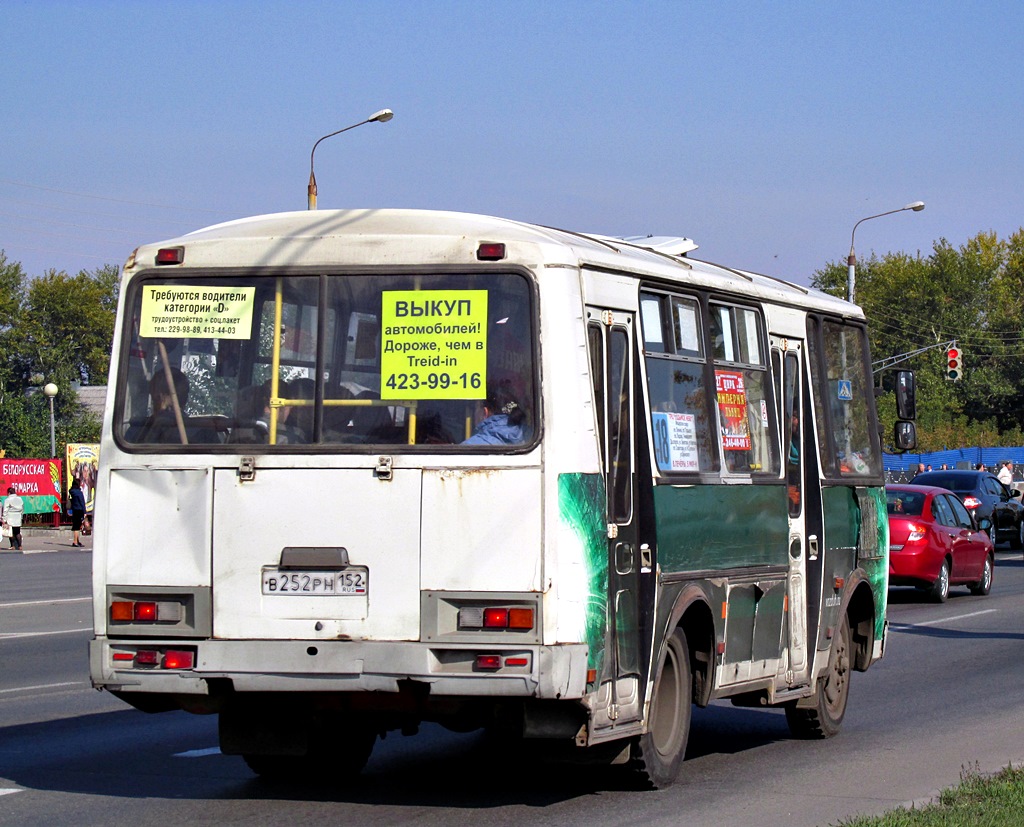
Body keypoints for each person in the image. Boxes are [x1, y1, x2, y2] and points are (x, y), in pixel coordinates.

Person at [462, 382, 527, 445]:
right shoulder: (528, 436)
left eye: (475, 408)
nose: (474, 414)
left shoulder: (471, 446)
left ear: (485, 413)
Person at [2, 486, 24, 551]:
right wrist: (21, 516)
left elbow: (5, 510)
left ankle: (13, 546)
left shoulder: (7, 500)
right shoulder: (20, 499)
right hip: (18, 517)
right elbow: (22, 508)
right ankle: (20, 546)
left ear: (9, 493)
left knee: (11, 532)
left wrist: (4, 519)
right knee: (17, 532)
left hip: (10, 517)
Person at [68, 477, 87, 547]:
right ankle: (75, 542)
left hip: (74, 510)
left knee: (76, 526)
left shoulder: (71, 492)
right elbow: (82, 502)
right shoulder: (79, 493)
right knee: (77, 527)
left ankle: (78, 541)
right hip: (79, 510)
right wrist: (85, 512)